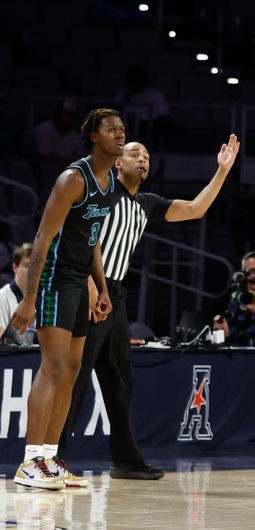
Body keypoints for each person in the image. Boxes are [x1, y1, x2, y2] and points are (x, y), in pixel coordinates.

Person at [58, 135, 239, 481]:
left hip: (116, 295)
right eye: (134, 153)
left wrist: (222, 171)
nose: (142, 159)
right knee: (75, 378)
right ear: (117, 163)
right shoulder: (100, 194)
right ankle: (53, 457)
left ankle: (125, 460)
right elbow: (81, 240)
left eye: (147, 156)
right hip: (89, 287)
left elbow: (196, 209)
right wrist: (93, 287)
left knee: (121, 381)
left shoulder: (146, 203)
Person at [9, 109, 124, 490]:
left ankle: (49, 457)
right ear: (94, 136)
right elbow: (42, 238)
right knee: (53, 368)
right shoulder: (74, 179)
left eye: (122, 130)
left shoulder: (109, 185)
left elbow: (92, 241)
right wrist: (29, 297)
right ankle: (29, 462)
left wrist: (102, 286)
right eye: (111, 130)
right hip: (55, 281)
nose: (119, 135)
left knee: (73, 374)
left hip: (80, 281)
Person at [0, 244, 34, 344]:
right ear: (15, 267)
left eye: (35, 266)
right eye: (27, 265)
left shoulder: (42, 296)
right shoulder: (2, 297)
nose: (32, 270)